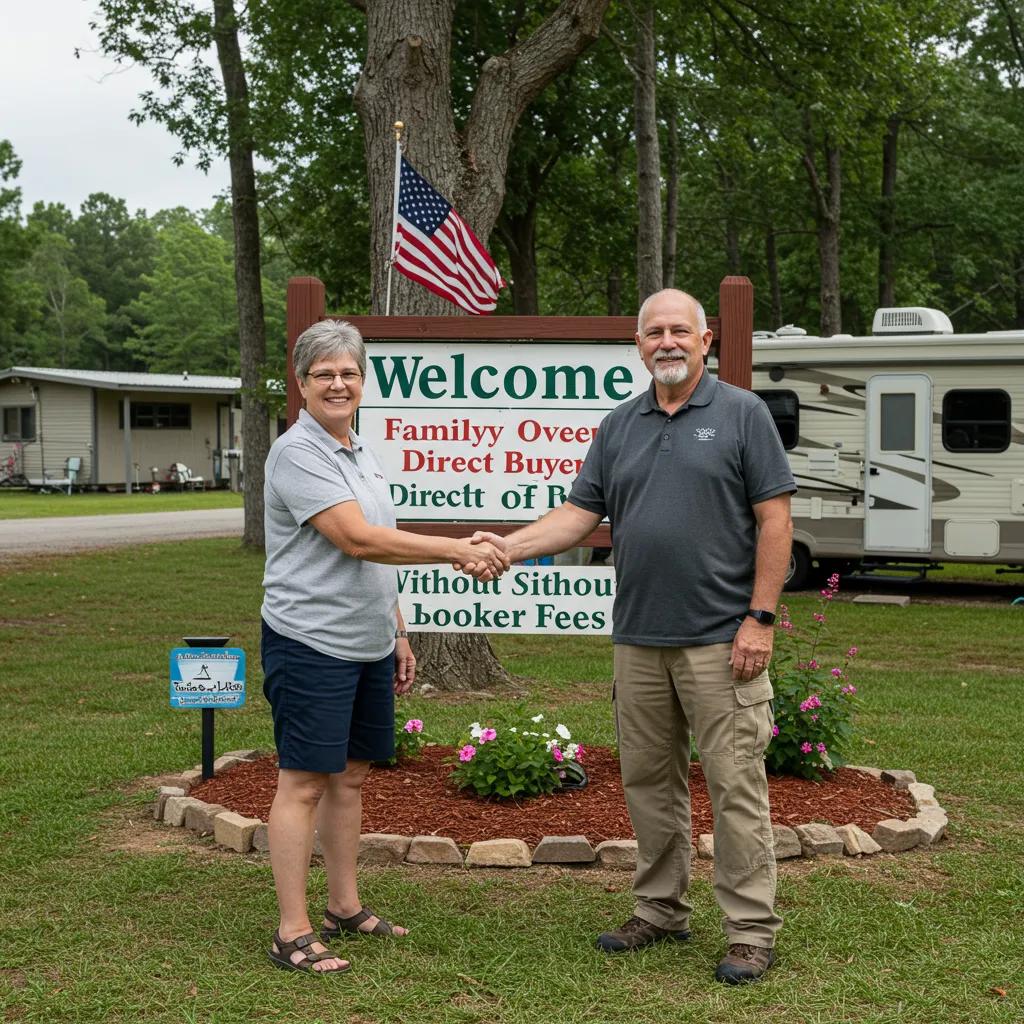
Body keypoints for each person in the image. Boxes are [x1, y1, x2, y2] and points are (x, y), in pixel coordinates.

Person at [469, 289, 795, 985]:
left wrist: (759, 618)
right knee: (649, 783)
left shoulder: (742, 415)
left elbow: (775, 521)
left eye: (681, 330)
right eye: (655, 332)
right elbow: (577, 515)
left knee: (736, 787)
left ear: (706, 342)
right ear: (639, 344)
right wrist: (511, 545)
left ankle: (749, 931)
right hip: (639, 638)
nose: (668, 341)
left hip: (721, 639)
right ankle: (660, 909)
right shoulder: (620, 425)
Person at [261, 319, 509, 974]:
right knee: (305, 782)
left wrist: (396, 630)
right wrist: (457, 548)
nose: (338, 383)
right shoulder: (299, 452)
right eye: (324, 374)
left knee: (352, 778)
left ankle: (344, 905)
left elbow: (376, 556)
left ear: (363, 381)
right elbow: (357, 539)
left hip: (367, 641)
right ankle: (291, 931)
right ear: (302, 383)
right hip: (311, 641)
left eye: (348, 372)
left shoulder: (357, 449)